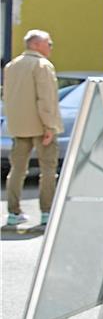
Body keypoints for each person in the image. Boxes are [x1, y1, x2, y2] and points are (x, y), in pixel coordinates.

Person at [3, 30, 63, 227]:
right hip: (41, 126)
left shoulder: (11, 66)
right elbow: (45, 99)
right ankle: (46, 213)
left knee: (17, 170)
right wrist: (49, 126)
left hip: (19, 126)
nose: (51, 47)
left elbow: (8, 97)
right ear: (37, 44)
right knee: (48, 170)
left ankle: (13, 213)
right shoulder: (42, 65)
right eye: (49, 43)